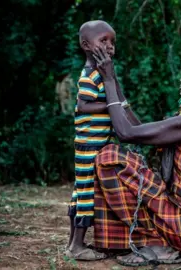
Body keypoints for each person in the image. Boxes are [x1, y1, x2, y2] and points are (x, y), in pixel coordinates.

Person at [91, 47, 181, 266]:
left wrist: (109, 81)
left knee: (110, 157)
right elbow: (138, 129)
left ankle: (155, 245)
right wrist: (114, 81)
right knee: (123, 161)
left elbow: (126, 133)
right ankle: (152, 243)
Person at [67, 20, 141, 261]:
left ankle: (73, 243)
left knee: (81, 191)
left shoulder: (102, 73)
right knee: (86, 195)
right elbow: (82, 105)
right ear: (86, 45)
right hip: (89, 145)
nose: (109, 46)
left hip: (93, 143)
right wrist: (112, 107)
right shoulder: (89, 75)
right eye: (103, 41)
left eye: (112, 41)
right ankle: (77, 246)